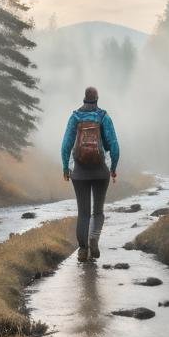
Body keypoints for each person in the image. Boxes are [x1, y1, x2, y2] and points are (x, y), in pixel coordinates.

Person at [61, 85, 119, 263]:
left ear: (84, 98)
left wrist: (66, 168)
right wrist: (113, 168)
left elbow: (66, 146)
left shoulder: (75, 117)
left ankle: (82, 250)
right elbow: (114, 146)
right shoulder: (103, 117)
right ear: (97, 99)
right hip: (101, 172)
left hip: (79, 173)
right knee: (98, 212)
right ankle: (94, 238)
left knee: (83, 213)